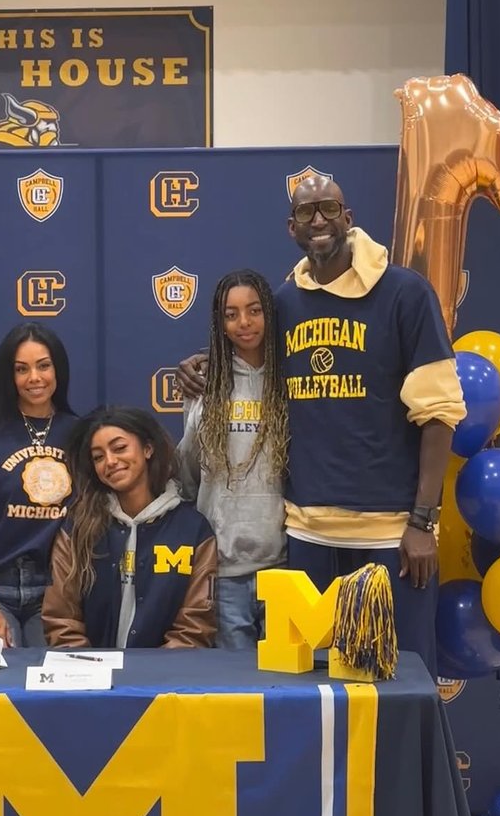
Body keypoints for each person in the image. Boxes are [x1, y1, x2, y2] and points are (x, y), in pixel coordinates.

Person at [179, 174, 465, 678]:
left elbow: (439, 413)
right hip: (308, 536)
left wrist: (422, 522)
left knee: (401, 681)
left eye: (328, 208)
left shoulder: (405, 293)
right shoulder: (284, 305)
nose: (318, 221)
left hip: (390, 533)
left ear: (348, 217)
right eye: (306, 213)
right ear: (291, 228)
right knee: (320, 690)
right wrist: (209, 363)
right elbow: (247, 352)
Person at [42, 407, 217, 649]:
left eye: (119, 448)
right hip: (90, 678)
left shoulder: (193, 530)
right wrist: (88, 671)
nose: (110, 462)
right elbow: (61, 617)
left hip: (164, 679)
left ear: (147, 448)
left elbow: (195, 624)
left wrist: (150, 673)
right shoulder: (78, 527)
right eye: (98, 457)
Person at [178, 269, 287, 649]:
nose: (244, 323)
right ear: (219, 323)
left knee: (286, 687)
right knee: (237, 691)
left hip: (285, 567)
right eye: (231, 314)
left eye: (254, 311)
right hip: (223, 570)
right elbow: (188, 474)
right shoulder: (205, 385)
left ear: (269, 314)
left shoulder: (291, 379)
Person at [0, 322, 77, 647]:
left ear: (57, 368)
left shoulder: (80, 434)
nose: (34, 378)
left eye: (43, 366)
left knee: (51, 689)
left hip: (54, 589)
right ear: (9, 376)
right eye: (22, 369)